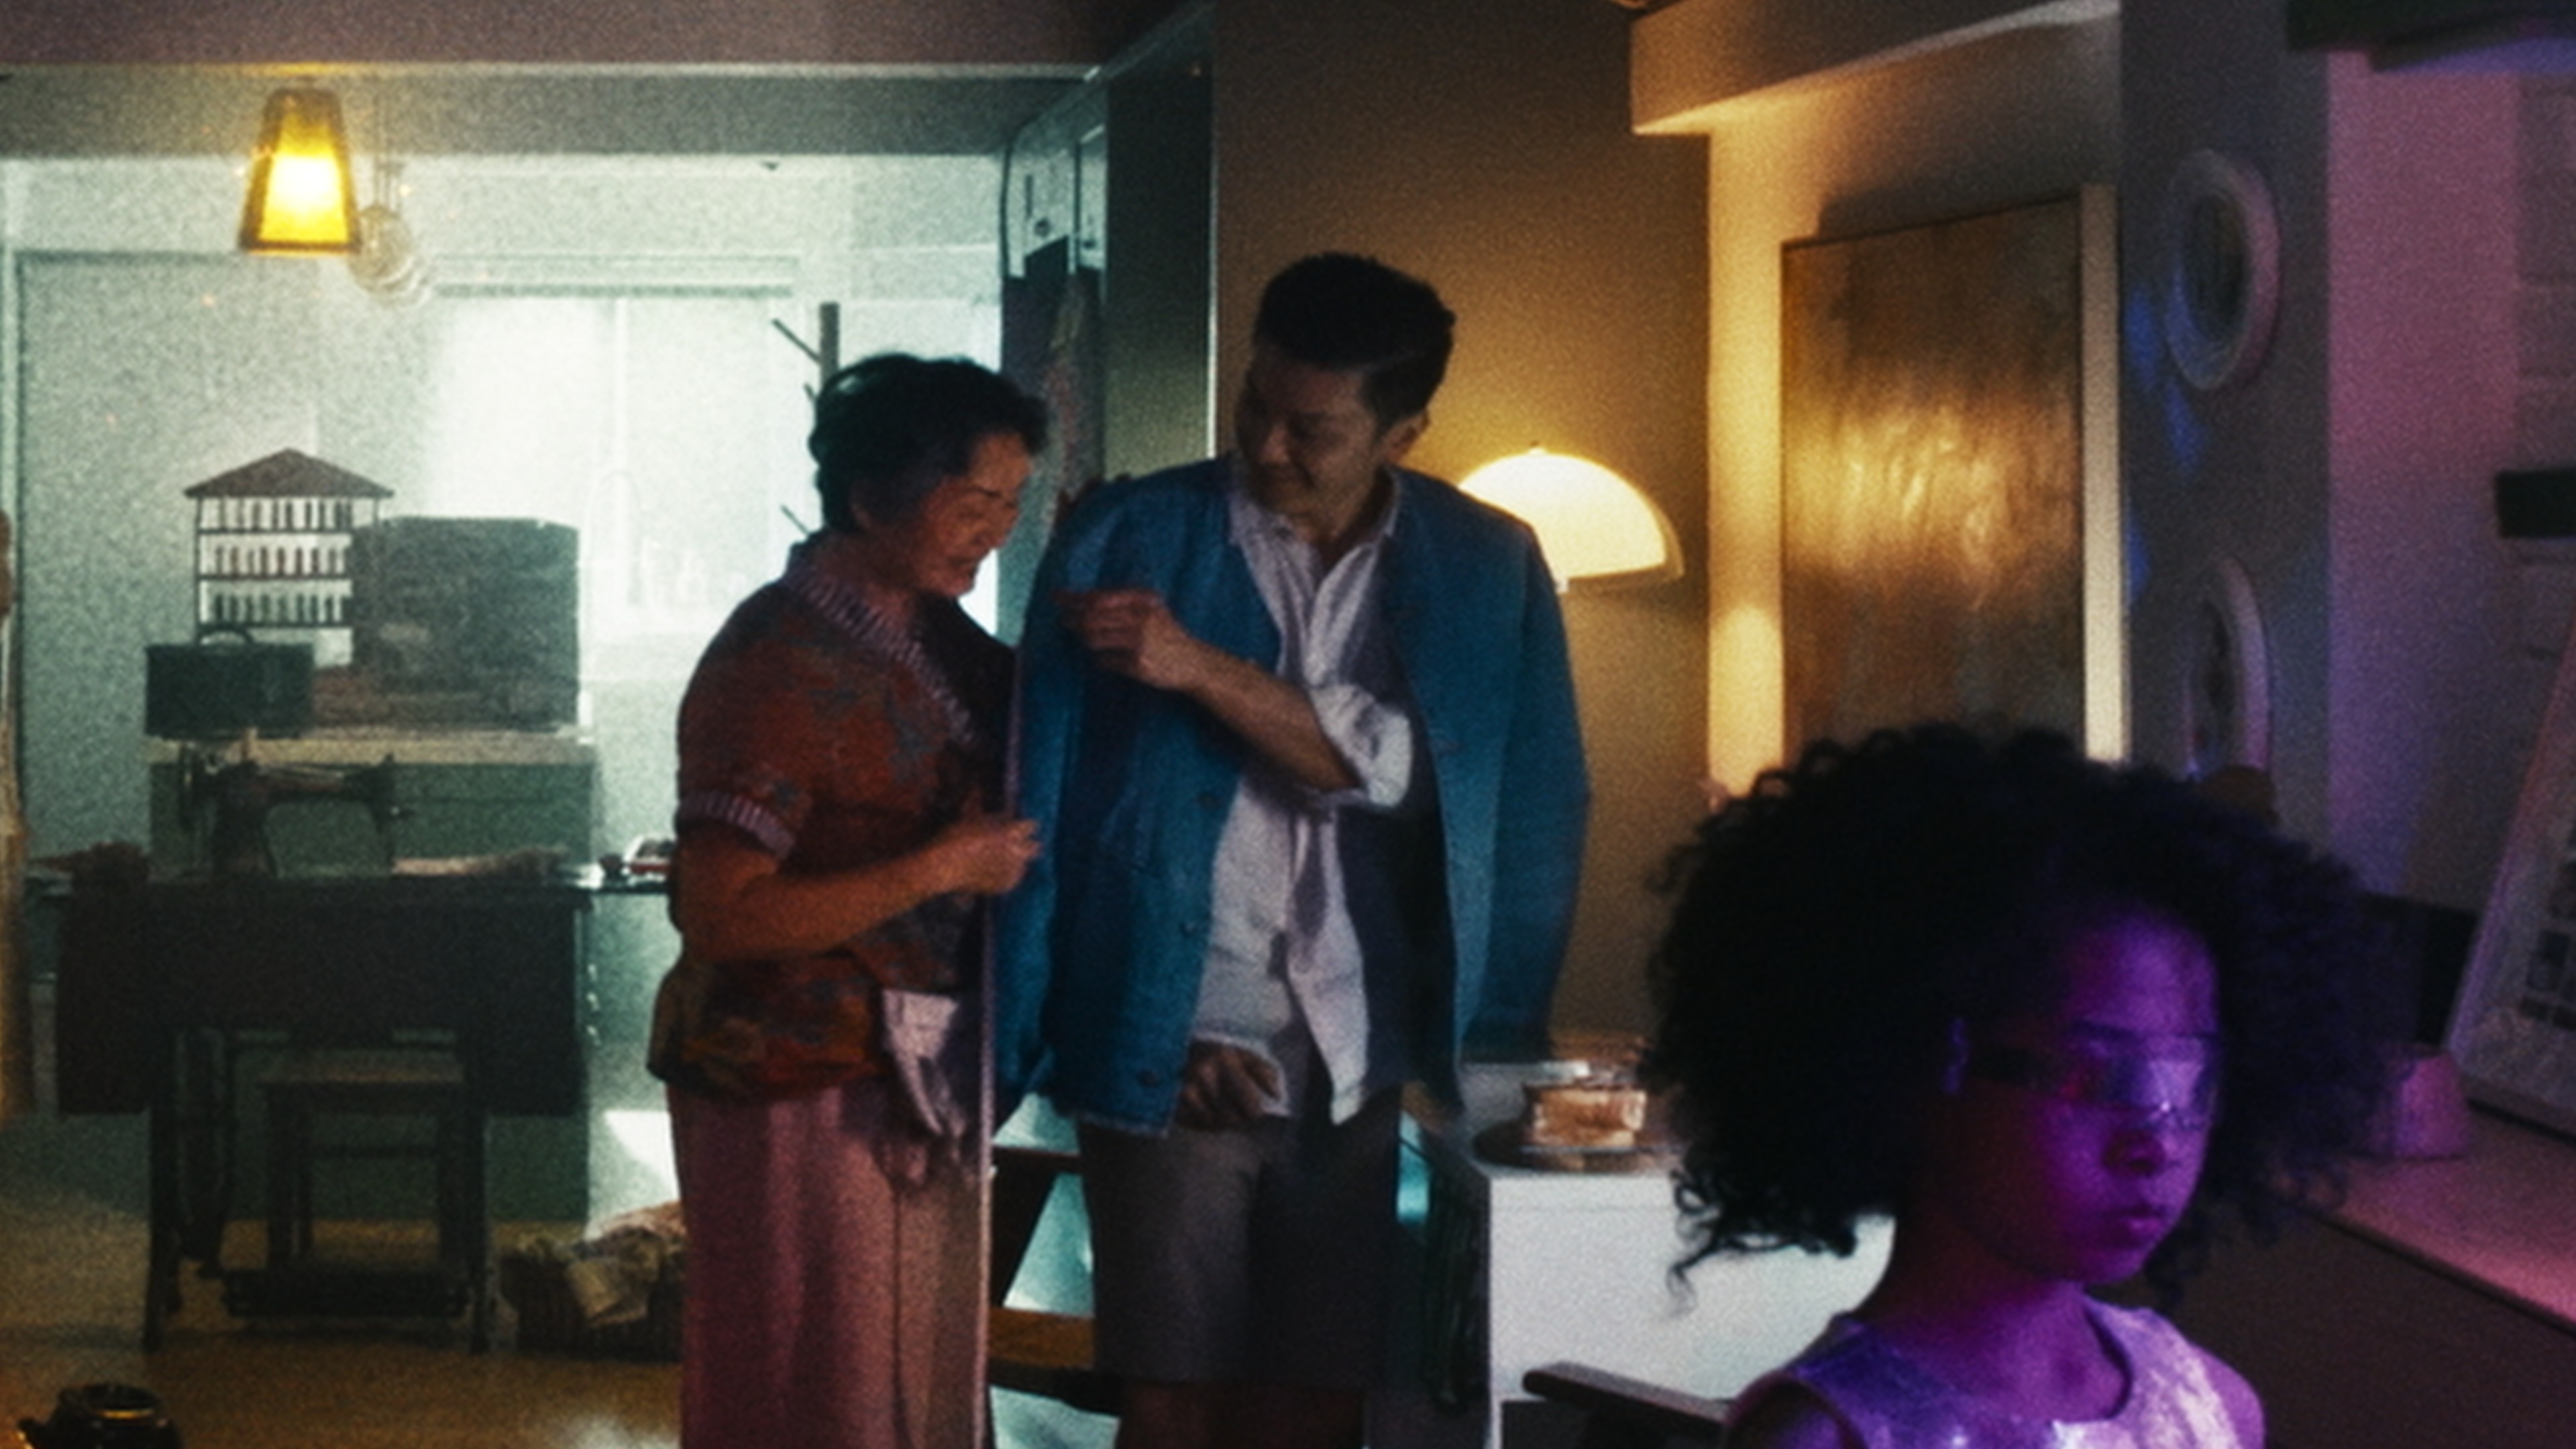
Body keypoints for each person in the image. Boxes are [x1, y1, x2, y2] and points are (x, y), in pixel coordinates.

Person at [998, 252, 1590, 1448]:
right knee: (1172, 1399)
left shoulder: (1489, 564)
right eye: (1254, 405)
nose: (1266, 446)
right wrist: (1112, 1039)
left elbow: (1489, 794)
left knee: (1320, 1402)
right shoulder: (1129, 532)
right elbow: (1040, 806)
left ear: (1404, 433)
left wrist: (1197, 667)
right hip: (1176, 1035)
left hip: (1359, 1053)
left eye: (1310, 430)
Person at [1645, 723, 2387, 1449]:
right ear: (1917, 1063)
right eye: (2095, 1077)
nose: (2155, 1143)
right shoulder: (1824, 1437)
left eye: (2194, 1083)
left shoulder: (2216, 1408)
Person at [647, 353, 1048, 1449]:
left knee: (909, 1385)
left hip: (910, 1073)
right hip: (789, 1076)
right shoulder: (774, 660)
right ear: (871, 500)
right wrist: (938, 868)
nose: (996, 530)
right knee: (817, 1385)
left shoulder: (935, 633)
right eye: (972, 502)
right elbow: (721, 914)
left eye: (1013, 502)